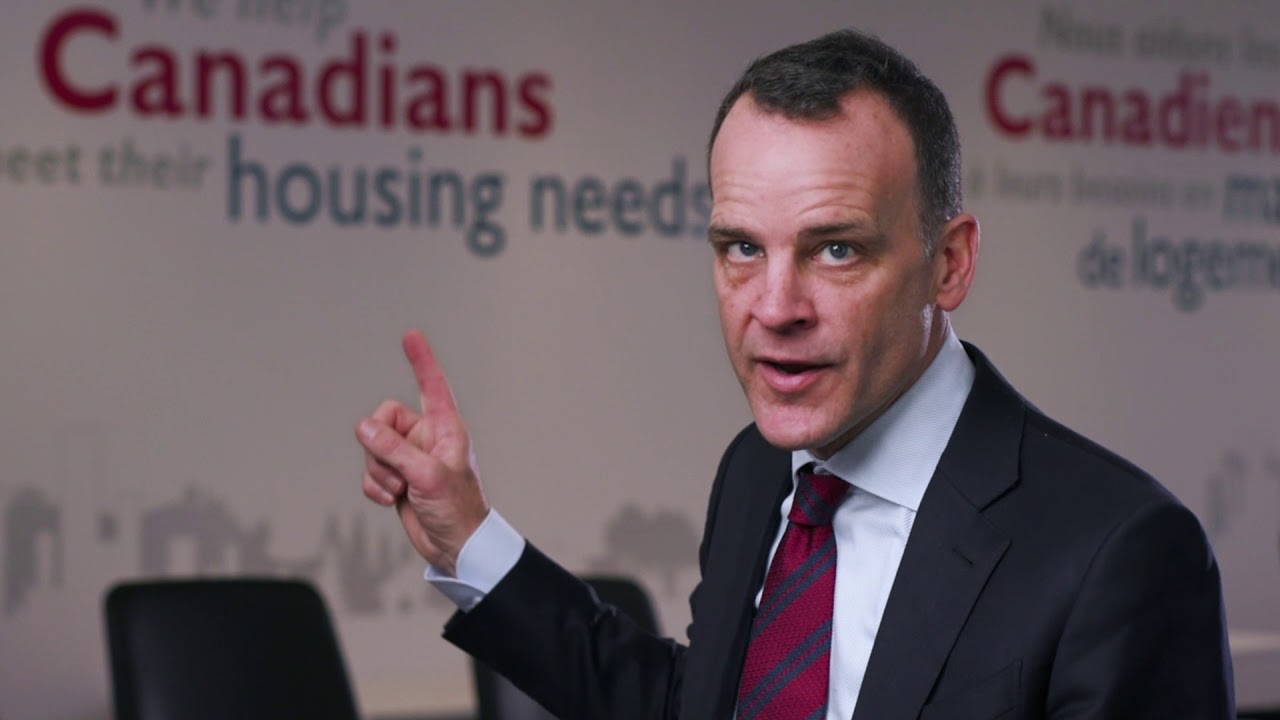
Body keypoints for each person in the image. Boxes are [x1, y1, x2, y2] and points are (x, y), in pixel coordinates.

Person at [355, 29, 1234, 720]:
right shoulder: (757, 472)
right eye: (742, 248)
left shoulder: (1122, 555)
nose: (774, 307)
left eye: (836, 249)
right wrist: (467, 539)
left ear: (949, 264)